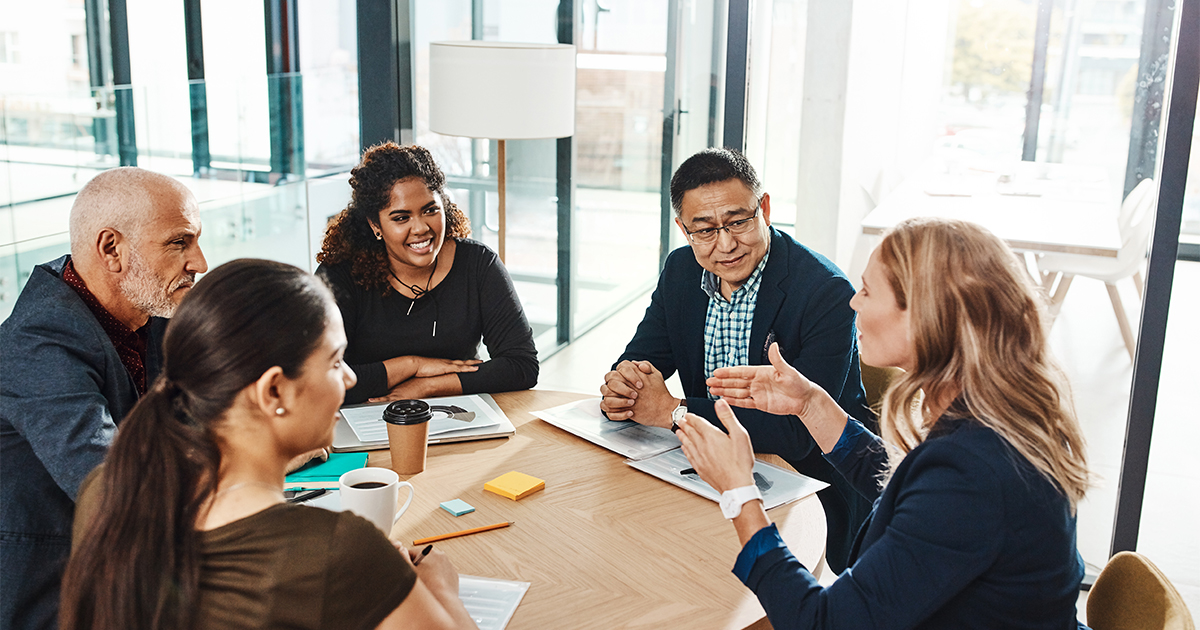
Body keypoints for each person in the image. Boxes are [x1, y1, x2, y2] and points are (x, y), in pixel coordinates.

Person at [682, 217, 1091, 628]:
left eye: (867, 290)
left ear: (925, 316)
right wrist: (811, 406)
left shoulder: (973, 473)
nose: (853, 303)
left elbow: (823, 623)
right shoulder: (993, 413)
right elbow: (911, 490)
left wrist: (740, 493)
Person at [60, 259, 477, 630]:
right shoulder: (339, 551)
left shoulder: (106, 490)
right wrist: (442, 590)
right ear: (273, 392)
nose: (349, 378)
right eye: (335, 362)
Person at [600, 147, 870, 573]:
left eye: (738, 222)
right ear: (682, 228)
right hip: (703, 473)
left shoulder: (826, 291)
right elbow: (644, 357)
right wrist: (625, 386)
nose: (725, 245)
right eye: (704, 230)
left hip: (805, 484)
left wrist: (674, 413)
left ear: (763, 207)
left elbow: (800, 433)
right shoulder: (681, 270)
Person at [0, 167, 208, 630]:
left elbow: (207, 413)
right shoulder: (35, 345)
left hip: (140, 572)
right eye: (180, 242)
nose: (200, 262)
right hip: (61, 597)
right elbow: (112, 482)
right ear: (112, 249)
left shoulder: (152, 311)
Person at [316, 142, 538, 405]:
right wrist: (412, 366)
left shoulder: (478, 264)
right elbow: (318, 380)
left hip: (457, 416)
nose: (421, 228)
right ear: (375, 225)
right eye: (401, 218)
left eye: (430, 210)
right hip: (364, 419)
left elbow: (522, 366)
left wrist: (428, 387)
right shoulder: (339, 276)